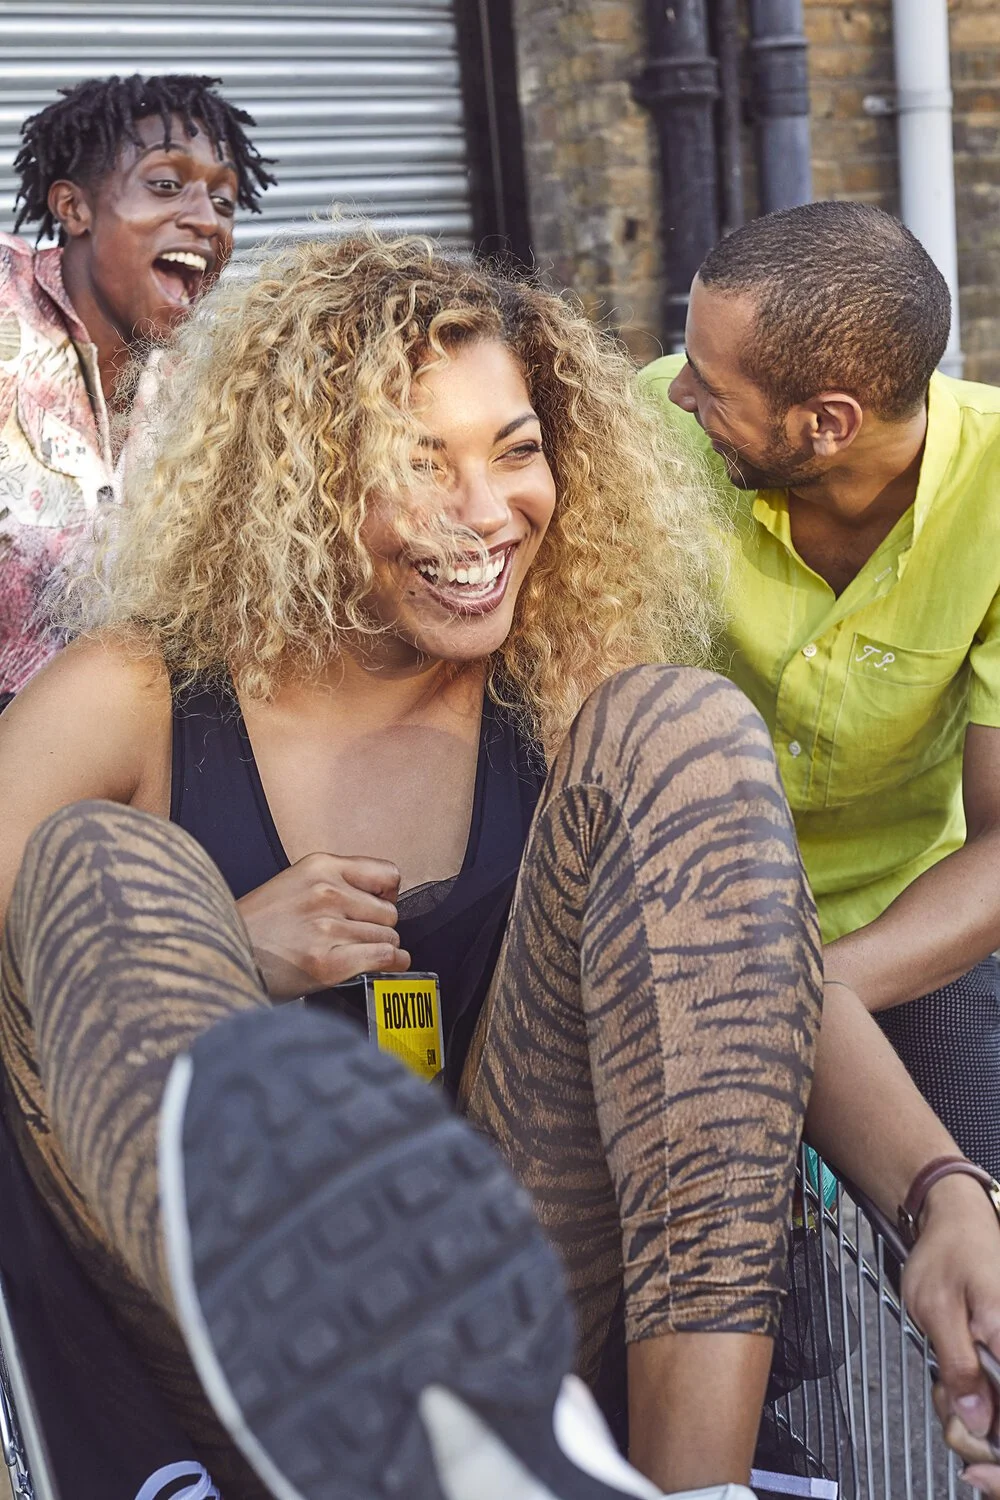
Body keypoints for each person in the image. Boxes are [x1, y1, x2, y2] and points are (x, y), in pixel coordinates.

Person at [1, 232, 999, 1500]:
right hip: (216, 1320)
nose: (489, 513)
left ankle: (691, 1485)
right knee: (98, 866)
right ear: (298, 482)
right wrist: (216, 947)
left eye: (517, 451)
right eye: (419, 464)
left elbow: (742, 968)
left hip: (519, 1272)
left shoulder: (558, 696)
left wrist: (942, 1194)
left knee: (687, 723)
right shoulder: (136, 696)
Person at [642, 200, 1000, 1185]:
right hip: (671, 927)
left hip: (901, 932)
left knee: (970, 1211)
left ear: (828, 422)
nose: (676, 396)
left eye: (709, 387)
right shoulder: (643, 441)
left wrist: (801, 994)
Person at [0, 71, 275, 703]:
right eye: (166, 185)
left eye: (225, 202)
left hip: (126, 750)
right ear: (75, 208)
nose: (208, 221)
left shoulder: (204, 385)